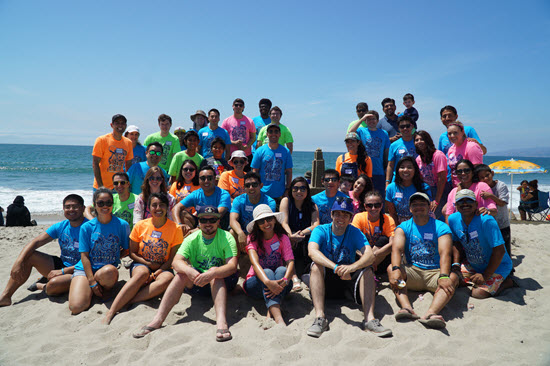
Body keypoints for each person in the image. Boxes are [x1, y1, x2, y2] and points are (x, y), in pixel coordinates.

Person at [132, 206, 238, 342]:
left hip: (222, 282)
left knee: (214, 272)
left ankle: (221, 322)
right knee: (181, 274)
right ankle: (158, 319)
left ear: (218, 221)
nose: (208, 224)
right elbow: (176, 262)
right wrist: (189, 270)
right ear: (198, 222)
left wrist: (212, 273)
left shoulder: (226, 237)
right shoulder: (192, 238)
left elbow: (232, 266)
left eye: (212, 220)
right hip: (199, 282)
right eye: (203, 220)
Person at [306, 197, 392, 338]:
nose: (341, 218)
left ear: (350, 218)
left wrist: (351, 268)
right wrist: (336, 268)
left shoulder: (354, 232)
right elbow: (312, 252)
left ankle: (369, 319)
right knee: (316, 266)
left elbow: (369, 256)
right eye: (338, 214)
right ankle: (320, 317)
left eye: (345, 215)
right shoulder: (321, 230)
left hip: (347, 280)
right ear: (332, 215)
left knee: (368, 270)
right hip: (327, 281)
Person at [103, 192, 184, 324]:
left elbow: (172, 258)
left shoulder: (175, 228)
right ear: (149, 208)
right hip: (141, 263)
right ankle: (111, 311)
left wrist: (158, 270)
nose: (158, 208)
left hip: (163, 267)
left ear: (167, 207)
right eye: (154, 205)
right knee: (142, 273)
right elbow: (132, 253)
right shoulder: (140, 225)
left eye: (162, 205)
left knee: (168, 279)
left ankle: (130, 300)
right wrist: (147, 263)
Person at [0, 195, 87, 307]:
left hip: (81, 270)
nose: (71, 210)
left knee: (53, 286)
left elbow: (93, 259)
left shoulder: (90, 228)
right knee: (29, 256)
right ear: (63, 209)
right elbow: (35, 242)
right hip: (62, 264)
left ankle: (41, 285)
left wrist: (64, 271)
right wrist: (19, 261)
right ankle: (5, 297)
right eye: (67, 207)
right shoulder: (61, 226)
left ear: (83, 208)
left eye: (75, 207)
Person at [388, 192, 458, 329]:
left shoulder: (441, 226)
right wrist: (396, 269)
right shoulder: (403, 227)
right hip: (413, 272)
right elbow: (396, 249)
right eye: (415, 205)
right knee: (391, 268)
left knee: (453, 277)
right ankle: (407, 308)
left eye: (422, 204)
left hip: (435, 273)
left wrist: (443, 275)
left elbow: (445, 253)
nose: (418, 207)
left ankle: (431, 313)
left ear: (429, 206)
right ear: (410, 208)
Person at [68, 188, 129, 315]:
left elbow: (127, 249)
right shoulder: (86, 227)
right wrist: (91, 281)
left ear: (113, 204)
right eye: (101, 203)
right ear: (95, 205)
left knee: (109, 270)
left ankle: (103, 288)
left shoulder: (122, 225)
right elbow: (84, 255)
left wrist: (115, 257)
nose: (105, 206)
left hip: (106, 272)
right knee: (76, 307)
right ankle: (89, 287)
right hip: (85, 269)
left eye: (108, 203)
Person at [448, 189, 513, 298]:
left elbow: (500, 251)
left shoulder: (486, 220)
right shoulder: (453, 219)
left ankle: (507, 282)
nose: (464, 204)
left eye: (469, 201)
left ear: (476, 204)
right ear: (456, 205)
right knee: (453, 280)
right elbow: (456, 243)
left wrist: (485, 275)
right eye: (460, 201)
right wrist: (456, 264)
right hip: (474, 264)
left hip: (498, 266)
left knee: (478, 293)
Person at [243, 205, 295, 325]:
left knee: (282, 270)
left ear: (274, 220)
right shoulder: (252, 238)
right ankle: (278, 318)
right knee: (267, 272)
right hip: (256, 284)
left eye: (269, 219)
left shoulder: (283, 237)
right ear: (257, 225)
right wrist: (268, 282)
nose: (266, 223)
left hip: (279, 283)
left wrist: (286, 280)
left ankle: (271, 311)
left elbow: (290, 261)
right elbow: (255, 264)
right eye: (261, 221)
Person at [280, 177, 320, 291]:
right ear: (291, 190)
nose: (299, 191)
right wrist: (291, 235)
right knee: (286, 240)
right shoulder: (286, 201)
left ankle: (307, 274)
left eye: (303, 188)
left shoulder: (312, 205)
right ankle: (294, 276)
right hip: (290, 234)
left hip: (305, 235)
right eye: (295, 188)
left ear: (307, 190)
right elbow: (284, 222)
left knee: (314, 241)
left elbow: (316, 224)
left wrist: (301, 233)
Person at [172, 166, 231, 231]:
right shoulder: (196, 194)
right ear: (199, 180)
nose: (206, 181)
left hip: (218, 224)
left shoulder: (223, 194)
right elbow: (176, 208)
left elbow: (218, 214)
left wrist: (197, 229)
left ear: (215, 179)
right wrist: (179, 224)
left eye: (210, 178)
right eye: (203, 178)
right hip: (201, 222)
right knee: (182, 213)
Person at [230, 172, 276, 252]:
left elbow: (268, 224)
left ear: (261, 186)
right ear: (244, 187)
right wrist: (240, 233)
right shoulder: (238, 200)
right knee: (232, 232)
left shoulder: (269, 202)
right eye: (248, 185)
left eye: (254, 185)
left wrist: (250, 237)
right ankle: (237, 259)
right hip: (244, 232)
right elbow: (232, 220)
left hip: (261, 232)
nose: (251, 188)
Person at [352, 190, 395, 274]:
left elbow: (393, 243)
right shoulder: (359, 217)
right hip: (362, 255)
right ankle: (368, 268)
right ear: (365, 206)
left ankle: (368, 268)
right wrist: (365, 257)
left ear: (382, 206)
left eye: (377, 205)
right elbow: (353, 240)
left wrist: (373, 255)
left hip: (379, 260)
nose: (373, 208)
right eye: (369, 205)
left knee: (384, 239)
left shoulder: (388, 220)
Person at [349, 110, 390, 196]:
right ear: (365, 121)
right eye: (369, 119)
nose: (371, 121)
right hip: (363, 171)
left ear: (377, 120)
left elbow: (386, 152)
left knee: (379, 197)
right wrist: (362, 119)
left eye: (373, 119)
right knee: (363, 197)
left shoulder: (384, 133)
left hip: (378, 171)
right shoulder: (361, 131)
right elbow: (351, 132)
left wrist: (386, 167)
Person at [476, 164, 512, 256]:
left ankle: (509, 268)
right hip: (490, 223)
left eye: (487, 175)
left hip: (502, 223)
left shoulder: (501, 185)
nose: (485, 179)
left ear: (492, 173)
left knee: (505, 248)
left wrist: (491, 196)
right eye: (482, 177)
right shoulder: (480, 188)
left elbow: (503, 202)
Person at [251, 123, 293, 202]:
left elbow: (289, 171)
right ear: (267, 134)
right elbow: (255, 171)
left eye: (276, 131)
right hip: (262, 193)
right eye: (270, 131)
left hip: (280, 193)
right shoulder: (259, 151)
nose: (273, 134)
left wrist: (287, 189)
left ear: (280, 134)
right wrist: (256, 188)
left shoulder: (286, 151)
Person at [92, 114, 134, 191]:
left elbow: (128, 165)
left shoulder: (128, 142)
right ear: (112, 125)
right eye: (117, 123)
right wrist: (101, 186)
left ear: (125, 125)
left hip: (119, 186)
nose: (120, 125)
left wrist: (128, 183)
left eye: (122, 123)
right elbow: (95, 163)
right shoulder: (102, 140)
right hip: (102, 186)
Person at [386, 157, 431, 224]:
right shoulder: (391, 188)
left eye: (409, 167)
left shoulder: (424, 187)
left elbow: (427, 210)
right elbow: (392, 213)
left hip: (421, 221)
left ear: (415, 170)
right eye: (402, 167)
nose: (405, 170)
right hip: (400, 223)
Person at [414, 130, 448, 219]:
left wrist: (437, 200)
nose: (419, 142)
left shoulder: (438, 155)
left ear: (427, 140)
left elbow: (442, 178)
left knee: (439, 216)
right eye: (416, 140)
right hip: (428, 190)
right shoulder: (418, 158)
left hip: (441, 189)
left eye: (422, 139)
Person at [447, 121, 484, 187]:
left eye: (455, 133)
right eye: (449, 134)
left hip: (470, 187)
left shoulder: (471, 146)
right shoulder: (451, 149)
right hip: (457, 187)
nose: (452, 136)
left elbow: (477, 170)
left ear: (462, 132)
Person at [386, 115, 418, 185]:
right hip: (398, 180)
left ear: (412, 126)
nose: (405, 128)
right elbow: (390, 165)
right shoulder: (393, 145)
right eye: (402, 127)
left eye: (407, 126)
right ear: (399, 129)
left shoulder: (418, 143)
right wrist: (387, 182)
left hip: (415, 180)